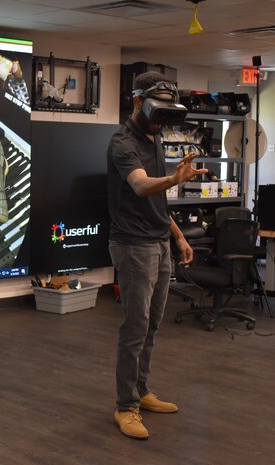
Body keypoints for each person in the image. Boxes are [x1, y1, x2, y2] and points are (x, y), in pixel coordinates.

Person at [106, 71, 207, 440]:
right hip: (133, 245)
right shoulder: (122, 143)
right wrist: (174, 180)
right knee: (134, 327)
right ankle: (125, 406)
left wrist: (177, 236)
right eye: (157, 109)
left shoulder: (158, 136)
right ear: (137, 102)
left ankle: (141, 391)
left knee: (152, 325)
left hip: (159, 242)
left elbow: (159, 201)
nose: (161, 118)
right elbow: (142, 185)